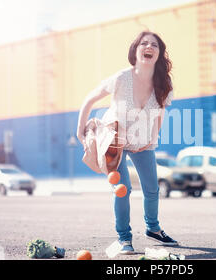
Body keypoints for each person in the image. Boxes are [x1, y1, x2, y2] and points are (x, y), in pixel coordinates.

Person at [77, 31, 178, 254]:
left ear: (159, 54)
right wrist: (80, 131)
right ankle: (124, 239)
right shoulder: (122, 78)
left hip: (143, 142)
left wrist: (152, 138)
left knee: (152, 189)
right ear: (136, 50)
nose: (148, 46)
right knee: (122, 189)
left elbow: (159, 112)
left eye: (154, 45)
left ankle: (153, 229)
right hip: (115, 141)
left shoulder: (163, 83)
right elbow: (90, 98)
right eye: (144, 43)